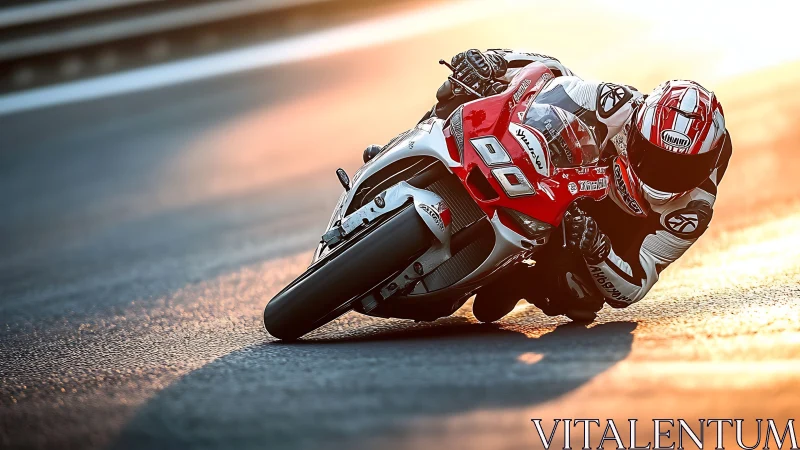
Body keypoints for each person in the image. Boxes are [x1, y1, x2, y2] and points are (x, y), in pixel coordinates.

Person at [368, 49, 733, 323]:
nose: (661, 173)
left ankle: (516, 279)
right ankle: (401, 146)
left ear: (704, 164)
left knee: (581, 300)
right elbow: (550, 72)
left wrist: (598, 247)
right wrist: (492, 62)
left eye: (678, 168)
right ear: (638, 126)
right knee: (476, 83)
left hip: (601, 226)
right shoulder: (619, 104)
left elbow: (635, 286)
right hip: (567, 165)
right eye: (653, 156)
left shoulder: (692, 210)